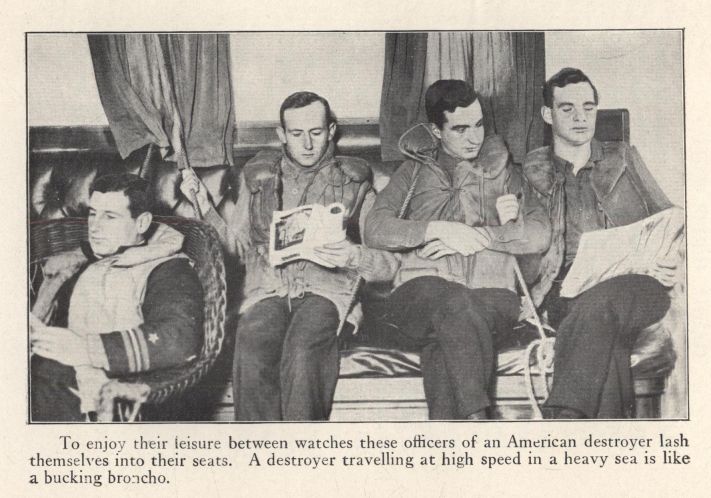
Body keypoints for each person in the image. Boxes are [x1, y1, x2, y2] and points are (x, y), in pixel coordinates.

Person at [182, 91, 398, 421]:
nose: (308, 144)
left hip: (326, 293)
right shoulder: (258, 180)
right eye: (297, 134)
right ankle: (260, 459)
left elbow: (389, 264)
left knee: (302, 350)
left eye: (316, 132)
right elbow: (235, 248)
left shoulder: (355, 183)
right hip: (268, 291)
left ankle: (299, 457)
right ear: (282, 135)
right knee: (252, 345)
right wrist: (203, 204)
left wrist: (354, 255)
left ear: (332, 131)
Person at [364, 79, 551, 420]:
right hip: (421, 291)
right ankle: (479, 423)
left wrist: (480, 236)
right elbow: (375, 229)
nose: (474, 138)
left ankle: (464, 432)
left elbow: (539, 234)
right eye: (460, 129)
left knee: (445, 340)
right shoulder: (412, 172)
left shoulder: (504, 172)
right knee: (453, 303)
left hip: (491, 294)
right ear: (436, 131)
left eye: (479, 125)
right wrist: (438, 230)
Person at [522, 67, 675, 418]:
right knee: (605, 341)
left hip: (636, 285)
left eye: (588, 107)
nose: (581, 117)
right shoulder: (532, 170)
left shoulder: (623, 158)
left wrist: (669, 257)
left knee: (598, 307)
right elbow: (524, 249)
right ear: (548, 114)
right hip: (565, 294)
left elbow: (669, 219)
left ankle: (564, 413)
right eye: (567, 108)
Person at [30, 173, 204, 421]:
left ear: (142, 223)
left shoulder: (168, 269)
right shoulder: (93, 257)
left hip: (101, 389)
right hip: (52, 368)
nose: (94, 226)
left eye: (109, 217)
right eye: (92, 214)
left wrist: (87, 349)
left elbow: (180, 338)